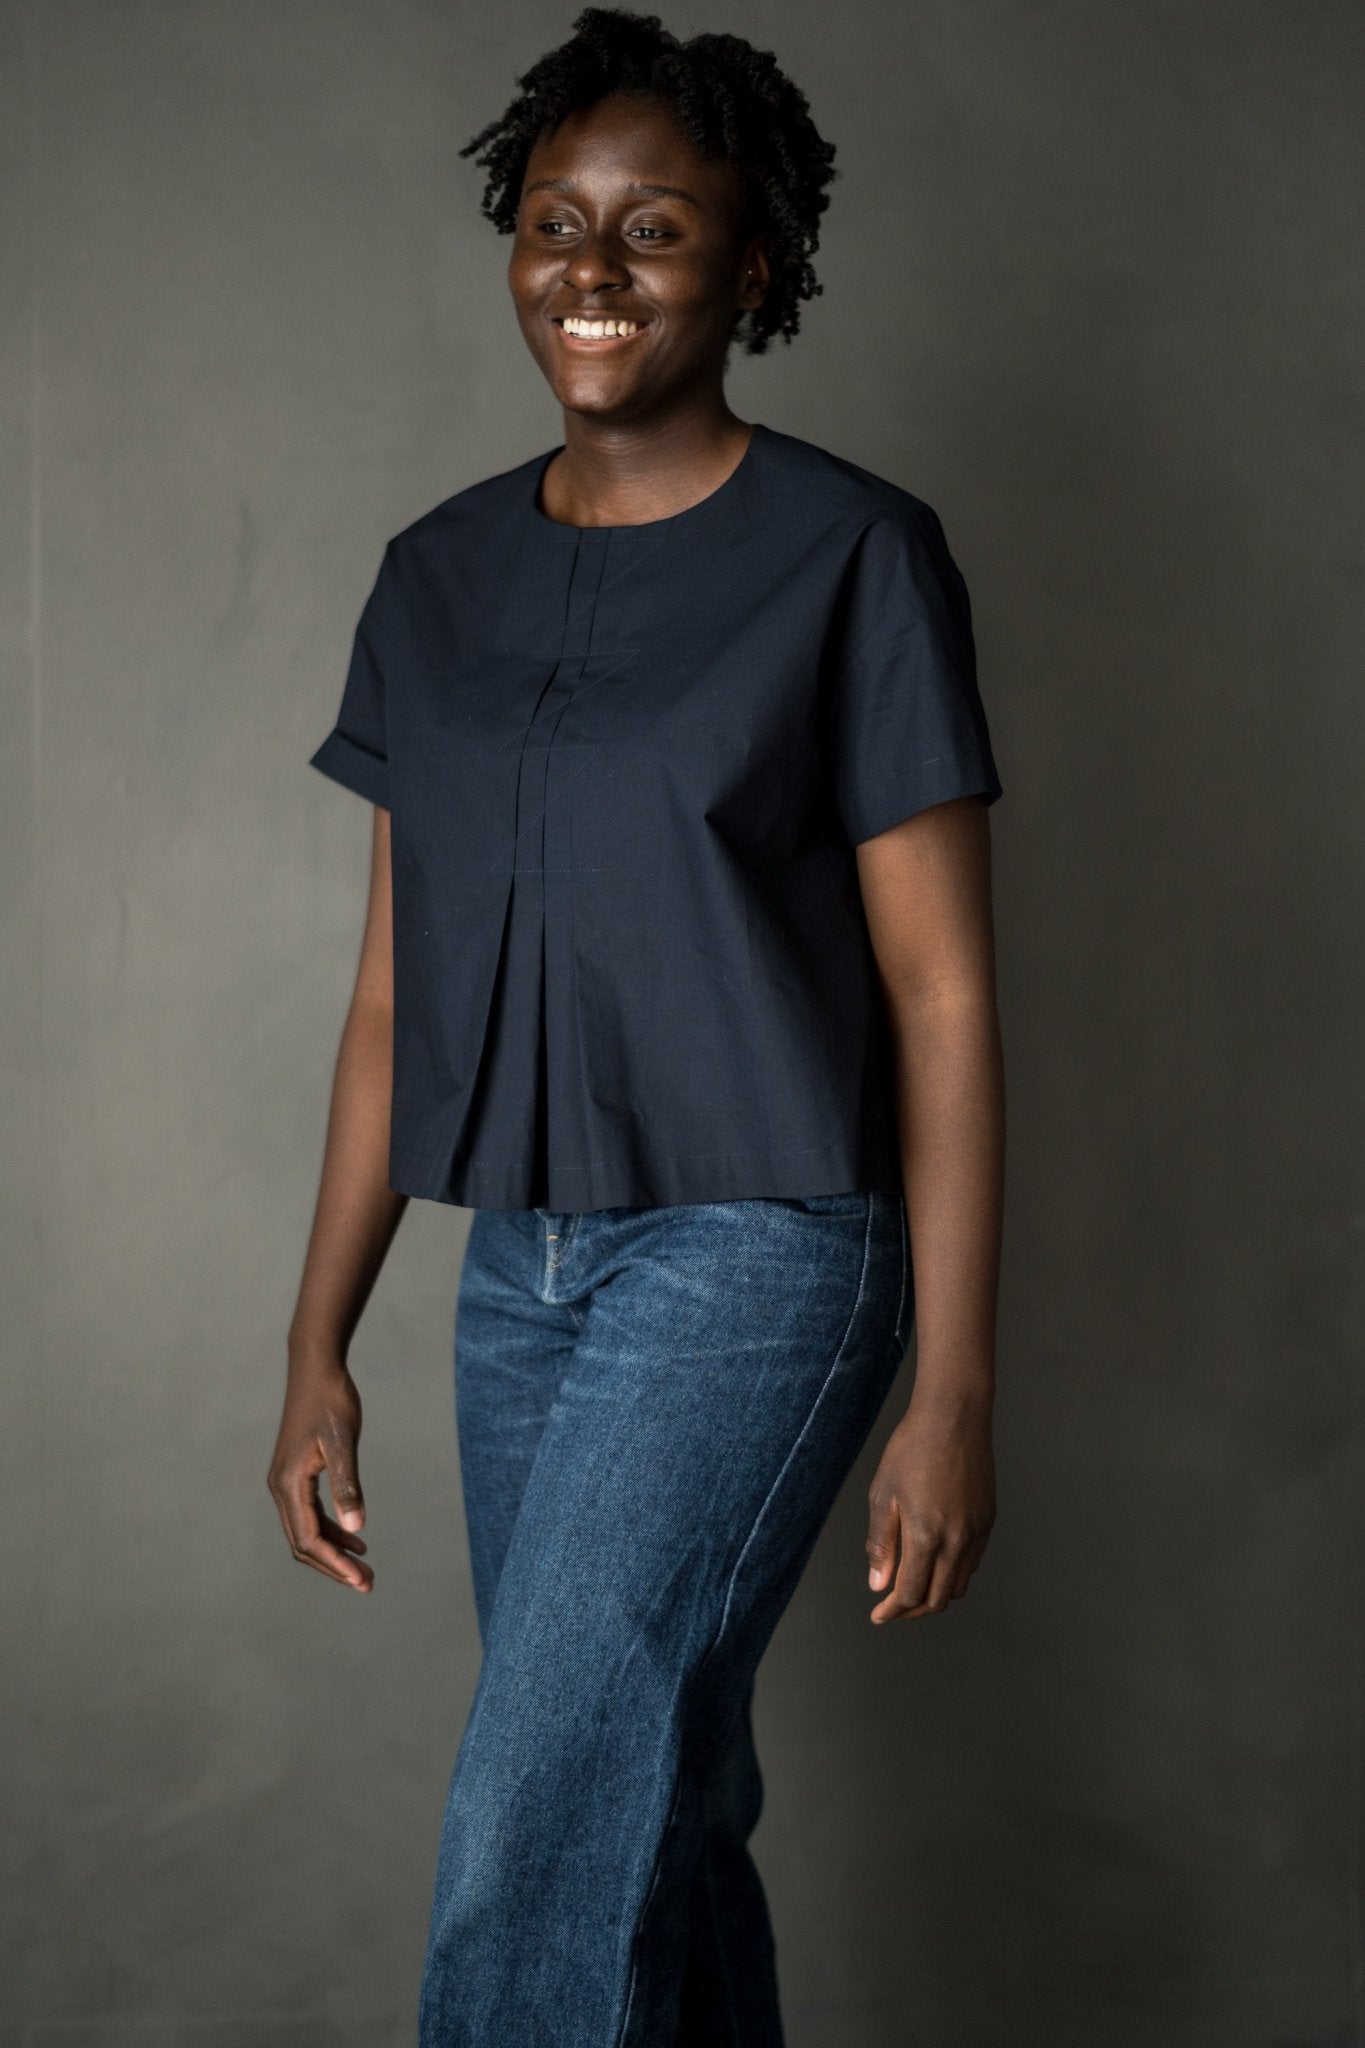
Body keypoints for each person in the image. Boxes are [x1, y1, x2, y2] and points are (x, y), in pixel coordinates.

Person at [267, 8, 1005, 2043]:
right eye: (553, 221)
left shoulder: (853, 556)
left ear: (748, 268)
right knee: (647, 1806)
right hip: (519, 1270)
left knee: (544, 1808)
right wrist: (317, 1343)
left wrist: (951, 1383)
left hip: (764, 1249)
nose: (590, 269)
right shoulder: (433, 577)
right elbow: (392, 991)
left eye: (654, 227)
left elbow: (941, 995)